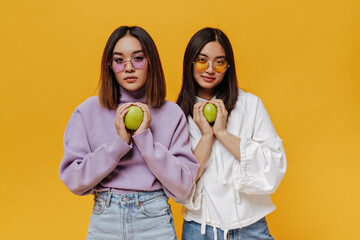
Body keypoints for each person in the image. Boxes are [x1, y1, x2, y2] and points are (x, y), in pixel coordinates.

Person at [59, 26, 199, 240]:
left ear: (150, 62)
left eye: (138, 58)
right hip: (105, 218)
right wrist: (118, 146)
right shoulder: (87, 111)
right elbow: (74, 181)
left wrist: (145, 142)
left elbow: (183, 187)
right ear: (110, 66)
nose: (129, 68)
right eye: (119, 60)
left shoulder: (172, 113)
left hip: (155, 219)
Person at [176, 27, 287, 240]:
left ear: (228, 67)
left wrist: (222, 133)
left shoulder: (250, 105)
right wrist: (207, 136)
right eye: (202, 60)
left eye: (219, 62)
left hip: (250, 227)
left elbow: (274, 165)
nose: (210, 69)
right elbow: (180, 183)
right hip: (199, 229)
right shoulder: (178, 114)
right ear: (190, 62)